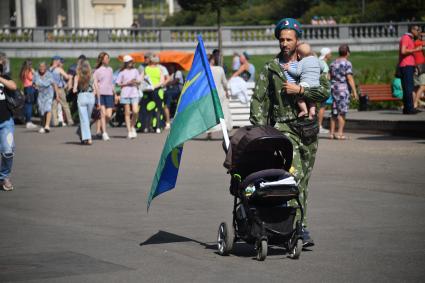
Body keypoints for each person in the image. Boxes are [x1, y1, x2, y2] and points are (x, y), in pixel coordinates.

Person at [250, 18, 329, 247]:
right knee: (294, 175)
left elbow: (324, 92)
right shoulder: (271, 68)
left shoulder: (311, 63)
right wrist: (258, 131)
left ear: (298, 41)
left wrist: (301, 89)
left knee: (303, 179)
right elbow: (259, 101)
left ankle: (296, 226)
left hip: (309, 128)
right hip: (284, 128)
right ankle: (298, 229)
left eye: (289, 39)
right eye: (281, 39)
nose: (284, 43)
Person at [283, 42, 322, 119]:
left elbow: (297, 73)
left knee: (299, 97)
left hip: (305, 84)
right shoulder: (317, 60)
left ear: (299, 55)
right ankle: (312, 110)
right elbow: (322, 67)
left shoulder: (302, 61)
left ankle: (304, 110)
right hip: (316, 85)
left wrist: (288, 69)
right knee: (312, 98)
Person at [329, 44, 359, 140]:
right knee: (342, 112)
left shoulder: (333, 63)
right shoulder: (347, 63)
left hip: (334, 89)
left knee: (334, 111)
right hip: (343, 90)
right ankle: (340, 133)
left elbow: (328, 77)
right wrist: (354, 91)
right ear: (347, 53)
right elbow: (349, 78)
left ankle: (331, 133)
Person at [0, 53, 17, 191]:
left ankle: (4, 176)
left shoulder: (4, 78)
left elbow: (13, 86)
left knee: (8, 151)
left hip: (5, 121)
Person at [206, 54, 232, 139]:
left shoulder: (205, 70)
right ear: (212, 60)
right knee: (224, 113)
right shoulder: (219, 69)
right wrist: (227, 91)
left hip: (209, 95)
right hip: (220, 94)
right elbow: (224, 82)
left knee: (210, 114)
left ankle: (209, 133)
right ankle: (225, 133)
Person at [398, 25, 422, 114]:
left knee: (409, 88)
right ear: (412, 30)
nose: (418, 31)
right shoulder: (406, 37)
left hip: (409, 65)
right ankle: (409, 109)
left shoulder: (410, 38)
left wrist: (414, 66)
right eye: (417, 30)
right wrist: (416, 49)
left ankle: (408, 108)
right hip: (406, 66)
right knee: (408, 88)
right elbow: (403, 51)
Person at [116, 55, 141, 139]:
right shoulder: (122, 72)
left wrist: (136, 82)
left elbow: (139, 82)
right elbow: (118, 83)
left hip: (134, 93)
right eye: (129, 62)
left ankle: (132, 126)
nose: (131, 63)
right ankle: (129, 131)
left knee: (135, 111)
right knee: (127, 112)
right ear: (126, 63)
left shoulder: (135, 71)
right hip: (125, 93)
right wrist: (127, 83)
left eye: (131, 61)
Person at [73, 60, 96, 145]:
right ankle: (85, 136)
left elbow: (74, 89)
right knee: (87, 119)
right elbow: (94, 89)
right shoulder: (91, 76)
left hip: (82, 96)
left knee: (84, 120)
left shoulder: (77, 76)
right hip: (90, 97)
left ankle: (87, 138)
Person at [93, 52, 114, 141]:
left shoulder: (110, 69)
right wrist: (95, 93)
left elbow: (111, 82)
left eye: (108, 58)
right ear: (102, 60)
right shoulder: (97, 71)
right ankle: (104, 133)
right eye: (106, 58)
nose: (107, 60)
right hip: (100, 94)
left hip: (109, 94)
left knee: (108, 115)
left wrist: (115, 94)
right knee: (102, 114)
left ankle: (102, 127)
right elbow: (95, 84)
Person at [142, 54, 165, 134]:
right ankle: (157, 127)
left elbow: (142, 79)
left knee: (149, 109)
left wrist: (150, 86)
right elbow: (162, 81)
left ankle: (147, 127)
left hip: (149, 90)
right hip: (155, 90)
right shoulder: (159, 70)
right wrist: (154, 86)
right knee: (157, 109)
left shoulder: (146, 69)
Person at [50, 56, 74, 126]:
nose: (60, 62)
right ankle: (70, 121)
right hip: (59, 89)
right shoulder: (59, 69)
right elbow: (66, 76)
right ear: (56, 61)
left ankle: (55, 122)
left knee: (53, 106)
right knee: (65, 105)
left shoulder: (49, 69)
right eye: (59, 61)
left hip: (51, 89)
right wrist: (70, 78)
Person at [33, 62, 55, 134]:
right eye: (40, 66)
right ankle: (42, 125)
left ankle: (47, 126)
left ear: (46, 67)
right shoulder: (36, 74)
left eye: (43, 66)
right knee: (41, 110)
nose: (42, 68)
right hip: (40, 95)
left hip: (49, 94)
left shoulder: (49, 74)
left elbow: (53, 84)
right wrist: (35, 86)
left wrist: (57, 95)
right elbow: (33, 83)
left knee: (48, 108)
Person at [164, 63, 184, 129]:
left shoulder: (178, 72)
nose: (170, 67)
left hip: (177, 91)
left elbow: (176, 80)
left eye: (171, 66)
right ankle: (168, 118)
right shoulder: (170, 74)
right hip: (172, 91)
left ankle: (169, 119)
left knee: (168, 101)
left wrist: (167, 84)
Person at [19, 59, 38, 129]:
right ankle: (28, 121)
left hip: (26, 88)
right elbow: (32, 78)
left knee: (27, 105)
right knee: (29, 105)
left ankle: (27, 120)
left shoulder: (23, 71)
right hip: (29, 88)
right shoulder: (28, 71)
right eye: (31, 64)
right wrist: (34, 72)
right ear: (29, 65)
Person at [318, 47, 332, 134]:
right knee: (322, 107)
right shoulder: (323, 63)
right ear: (326, 54)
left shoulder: (319, 61)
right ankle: (319, 126)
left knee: (319, 107)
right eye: (330, 53)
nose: (331, 55)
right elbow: (325, 77)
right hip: (322, 88)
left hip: (319, 87)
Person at [413, 32, 425, 108]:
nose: (423, 37)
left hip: (414, 66)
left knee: (415, 87)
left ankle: (413, 103)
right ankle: (415, 103)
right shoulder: (422, 43)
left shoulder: (414, 42)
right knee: (423, 86)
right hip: (421, 66)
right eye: (422, 35)